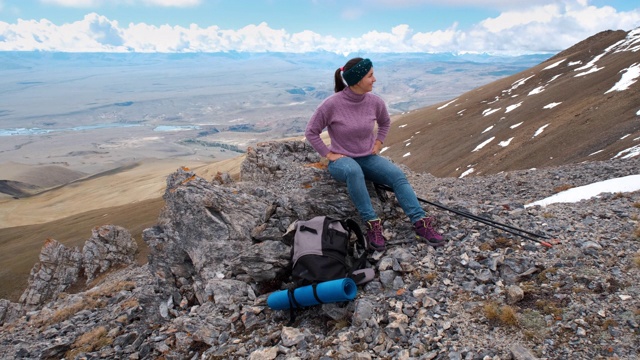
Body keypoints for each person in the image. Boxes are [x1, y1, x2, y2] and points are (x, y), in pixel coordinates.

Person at [304, 57, 445, 252]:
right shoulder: (331, 104)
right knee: (353, 171)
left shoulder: (374, 102)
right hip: (342, 161)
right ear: (358, 79)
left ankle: (420, 222)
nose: (374, 79)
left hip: (367, 158)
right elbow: (311, 131)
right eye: (370, 75)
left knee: (397, 175)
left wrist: (378, 143)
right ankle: (372, 224)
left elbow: (385, 122)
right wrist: (328, 154)